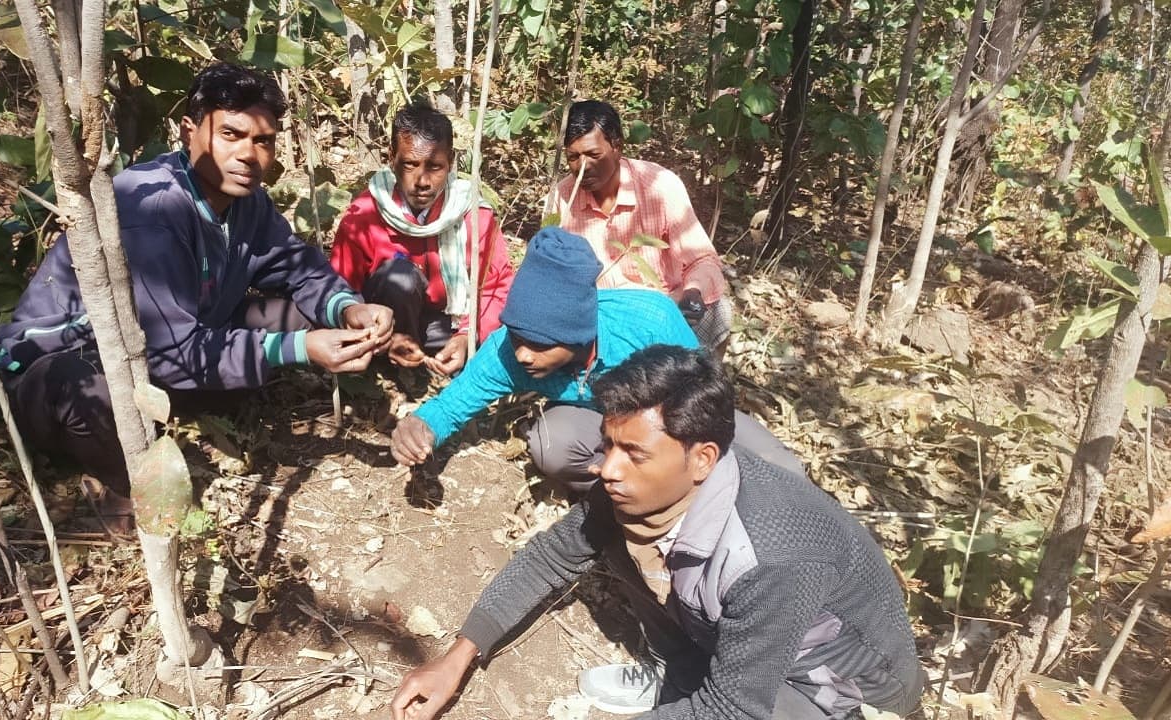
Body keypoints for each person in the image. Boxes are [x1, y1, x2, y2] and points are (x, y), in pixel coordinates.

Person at [391, 345, 924, 720]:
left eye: (634, 453)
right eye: (608, 444)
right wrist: (457, 657)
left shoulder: (773, 554)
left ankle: (689, 685)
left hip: (838, 684)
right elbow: (549, 558)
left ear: (703, 459)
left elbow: (733, 708)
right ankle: (678, 677)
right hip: (750, 646)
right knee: (622, 538)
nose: (608, 469)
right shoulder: (640, 490)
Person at [0, 63, 392, 523]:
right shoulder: (152, 209)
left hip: (170, 350)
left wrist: (348, 308)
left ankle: (186, 418)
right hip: (68, 366)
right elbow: (174, 349)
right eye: (231, 135)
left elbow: (298, 268)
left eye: (262, 141)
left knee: (293, 317)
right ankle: (118, 482)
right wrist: (300, 349)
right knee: (90, 391)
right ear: (189, 131)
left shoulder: (247, 201)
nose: (248, 155)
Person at [389, 226, 800, 489]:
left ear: (579, 335)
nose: (524, 354)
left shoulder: (648, 320)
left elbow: (704, 393)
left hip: (673, 411)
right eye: (518, 337)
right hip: (604, 422)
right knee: (554, 447)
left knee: (778, 468)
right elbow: (456, 401)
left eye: (542, 343)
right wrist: (422, 427)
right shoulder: (509, 350)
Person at [331, 101, 513, 376]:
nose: (422, 180)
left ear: (451, 162)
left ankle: (448, 354)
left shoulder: (473, 214)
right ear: (391, 158)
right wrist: (382, 338)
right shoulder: (364, 214)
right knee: (399, 277)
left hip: (445, 325)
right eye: (410, 164)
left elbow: (496, 286)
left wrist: (467, 335)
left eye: (435, 167)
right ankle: (390, 360)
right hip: (383, 330)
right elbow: (340, 290)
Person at [546, 100, 733, 351]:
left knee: (718, 313)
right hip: (599, 318)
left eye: (593, 155)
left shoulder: (660, 186)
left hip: (665, 307)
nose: (583, 167)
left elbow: (702, 260)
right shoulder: (562, 198)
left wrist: (693, 292)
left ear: (617, 147)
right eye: (573, 158)